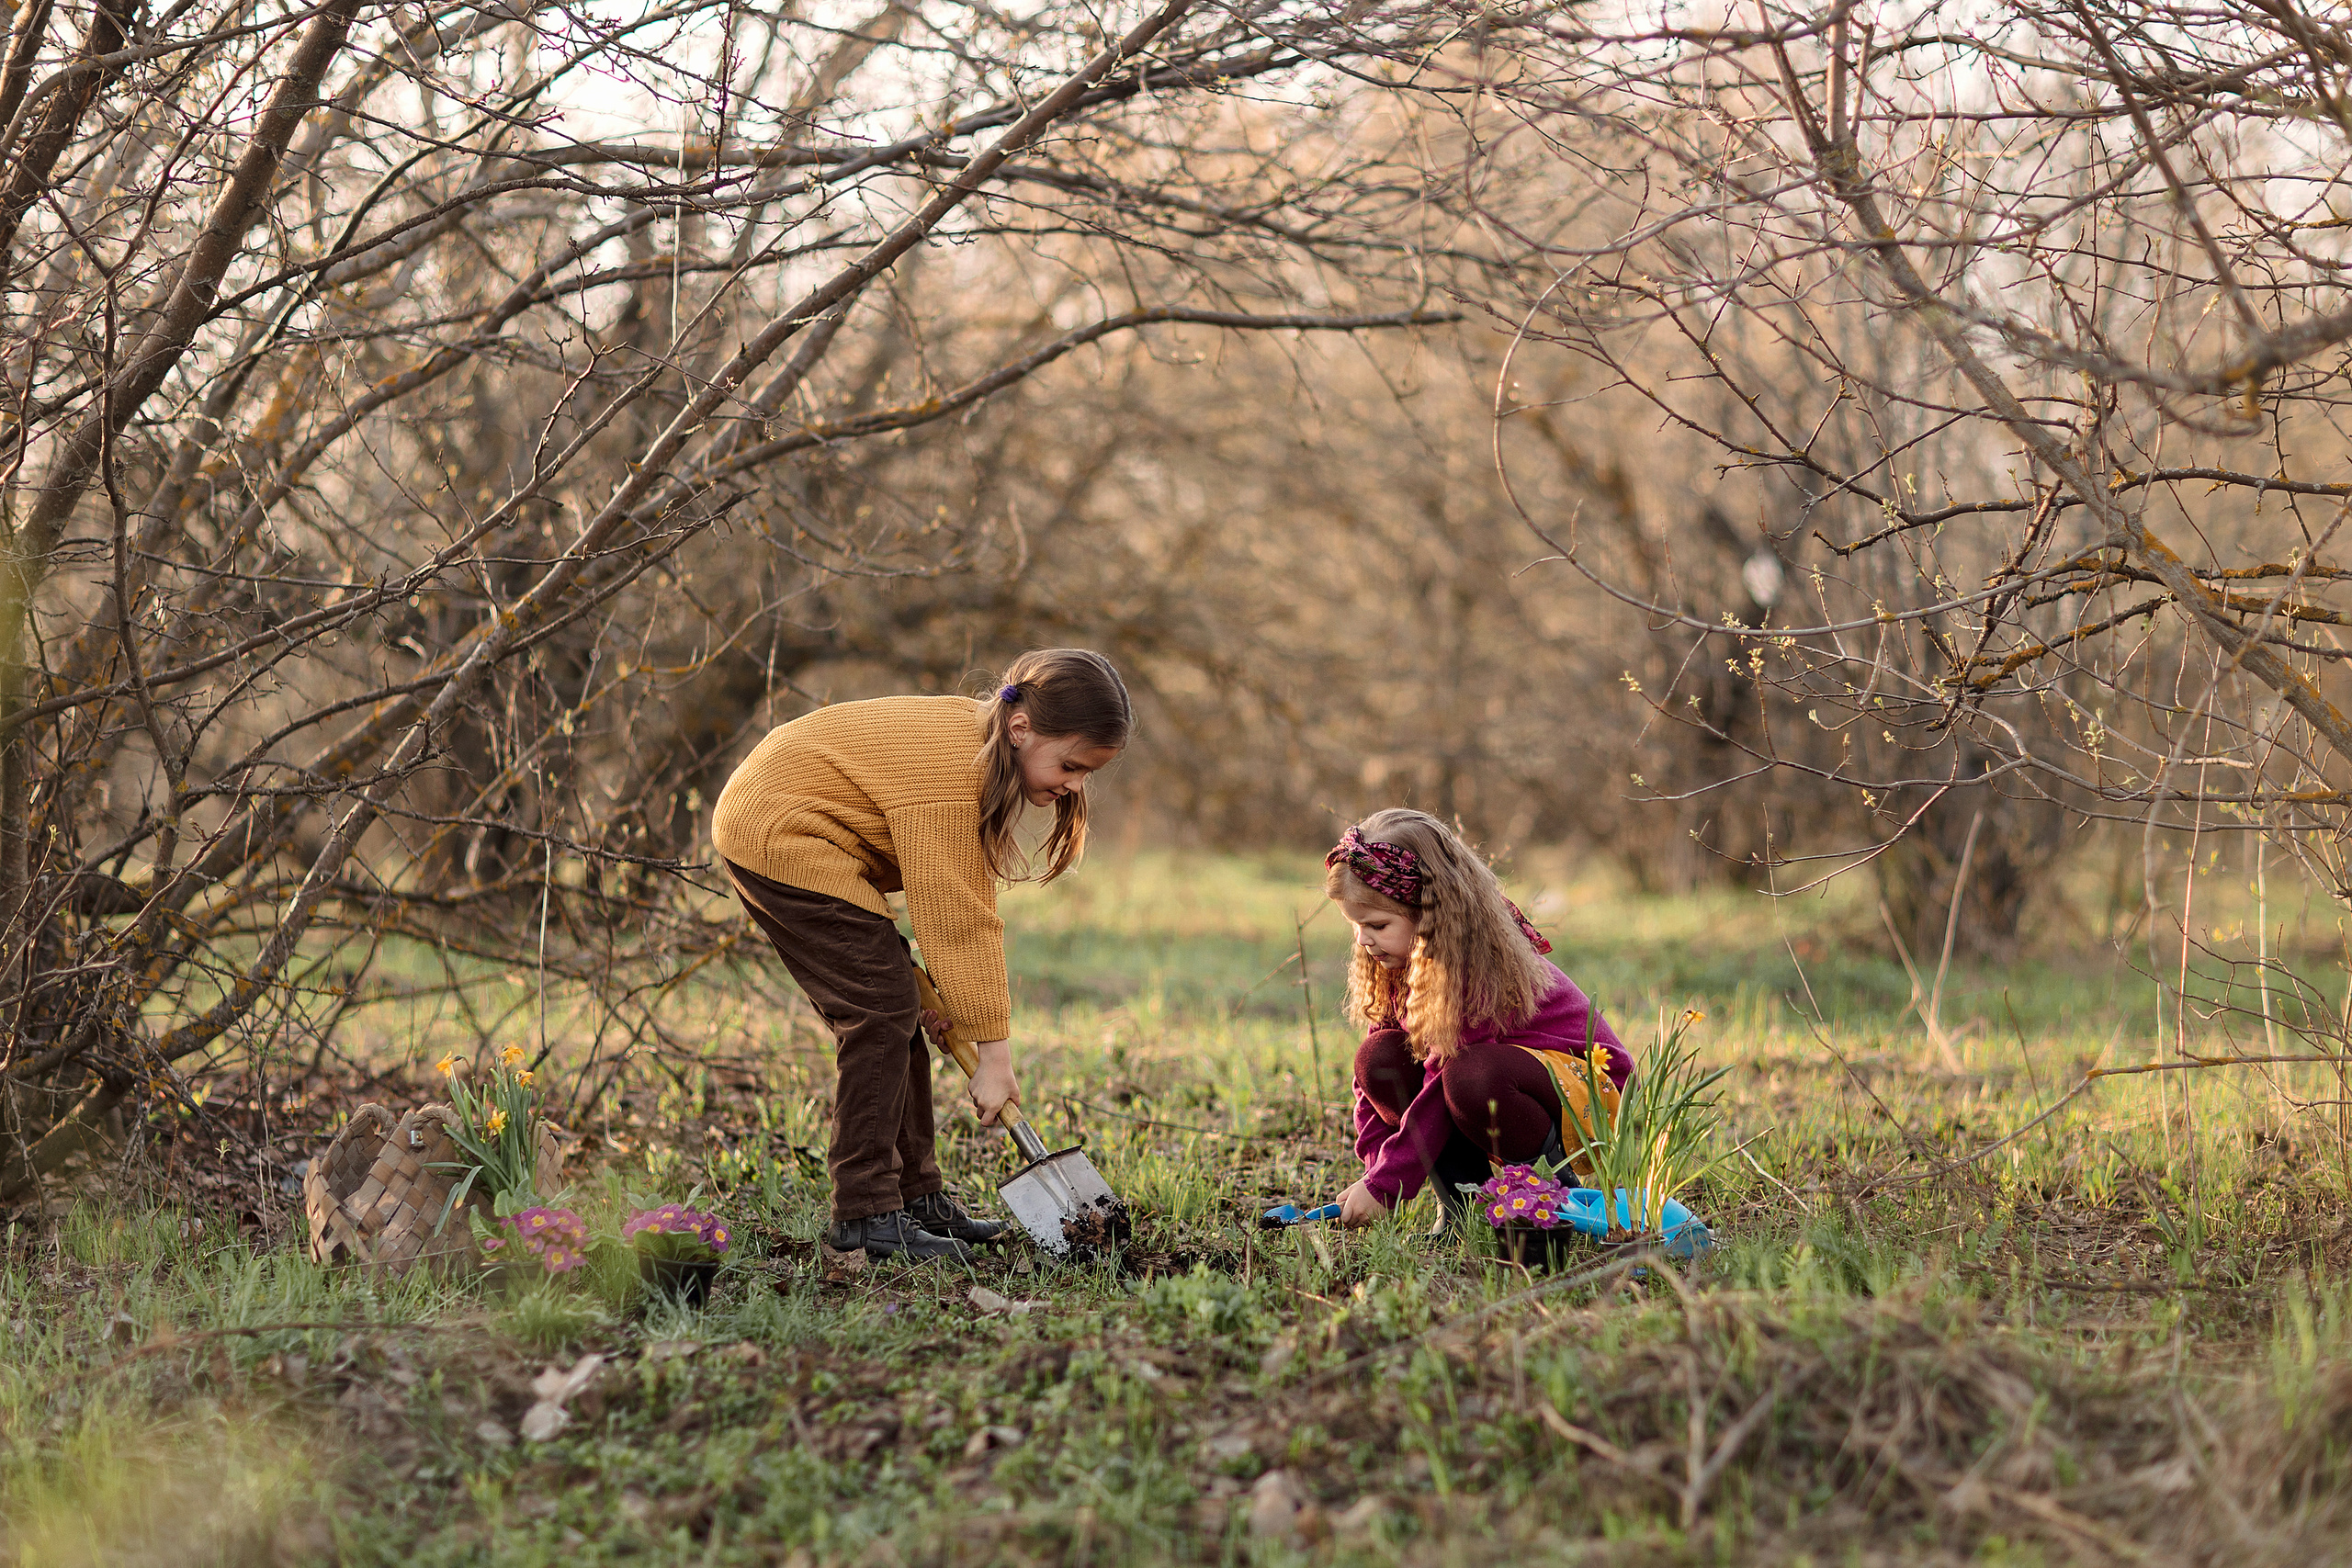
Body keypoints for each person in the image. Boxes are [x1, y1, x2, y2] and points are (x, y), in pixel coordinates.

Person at [711, 649, 1131, 1261]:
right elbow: (958, 920)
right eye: (1069, 764)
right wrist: (994, 1054)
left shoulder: (979, 745)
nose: (1074, 783)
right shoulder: (955, 775)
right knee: (878, 1009)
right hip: (780, 830)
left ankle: (913, 1196)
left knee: (894, 1002)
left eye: (1086, 773)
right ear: (1021, 730)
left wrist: (948, 1003)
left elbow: (949, 903)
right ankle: (864, 1212)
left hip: (804, 828)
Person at [1325, 808, 1632, 1230]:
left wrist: (1387, 1185)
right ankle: (1463, 1205)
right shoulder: (1401, 962)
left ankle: (1542, 1200)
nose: (1363, 939)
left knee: (1471, 1074)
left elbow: (1437, 1090)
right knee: (1379, 1056)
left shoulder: (1476, 968)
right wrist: (1375, 1169)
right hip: (1504, 1087)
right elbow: (1372, 1083)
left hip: (1588, 1094)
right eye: (1355, 926)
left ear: (1431, 915)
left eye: (1377, 924)